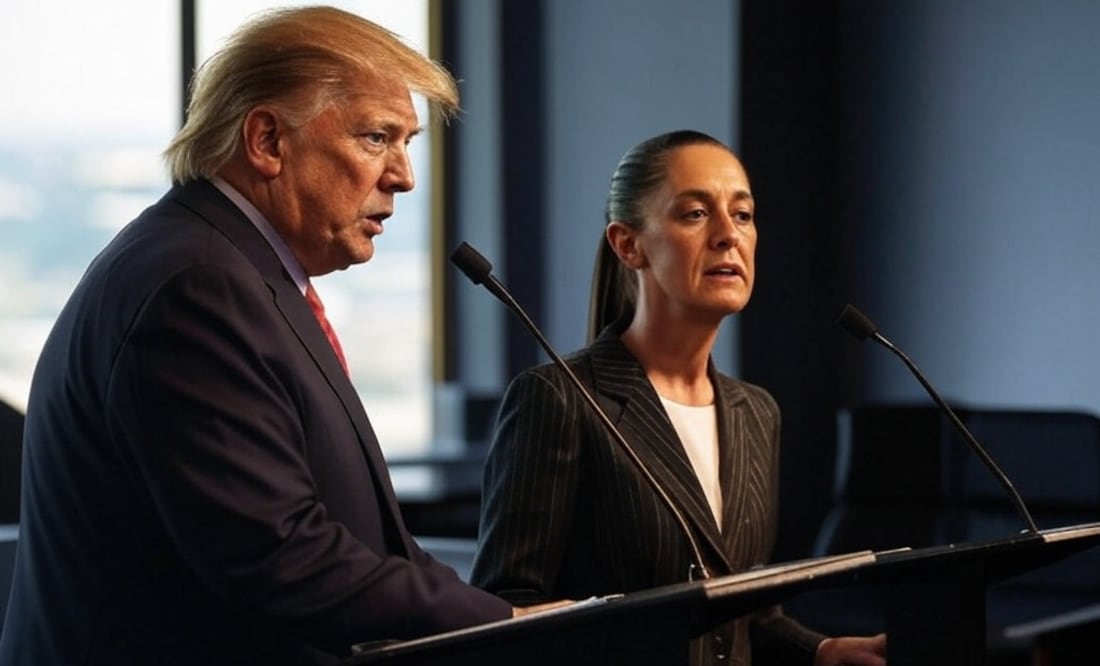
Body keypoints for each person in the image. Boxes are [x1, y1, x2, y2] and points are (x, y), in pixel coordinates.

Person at [0, 7, 545, 665]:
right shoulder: (196, 286)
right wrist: (509, 623)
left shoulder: (229, 270)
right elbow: (283, 557)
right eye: (376, 138)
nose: (404, 176)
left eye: (409, 143)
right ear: (266, 141)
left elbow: (349, 537)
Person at [470, 130, 888, 666]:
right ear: (629, 244)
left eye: (742, 214)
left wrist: (821, 650)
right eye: (695, 213)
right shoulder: (559, 400)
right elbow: (509, 610)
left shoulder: (756, 412)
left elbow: (744, 608)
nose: (727, 235)